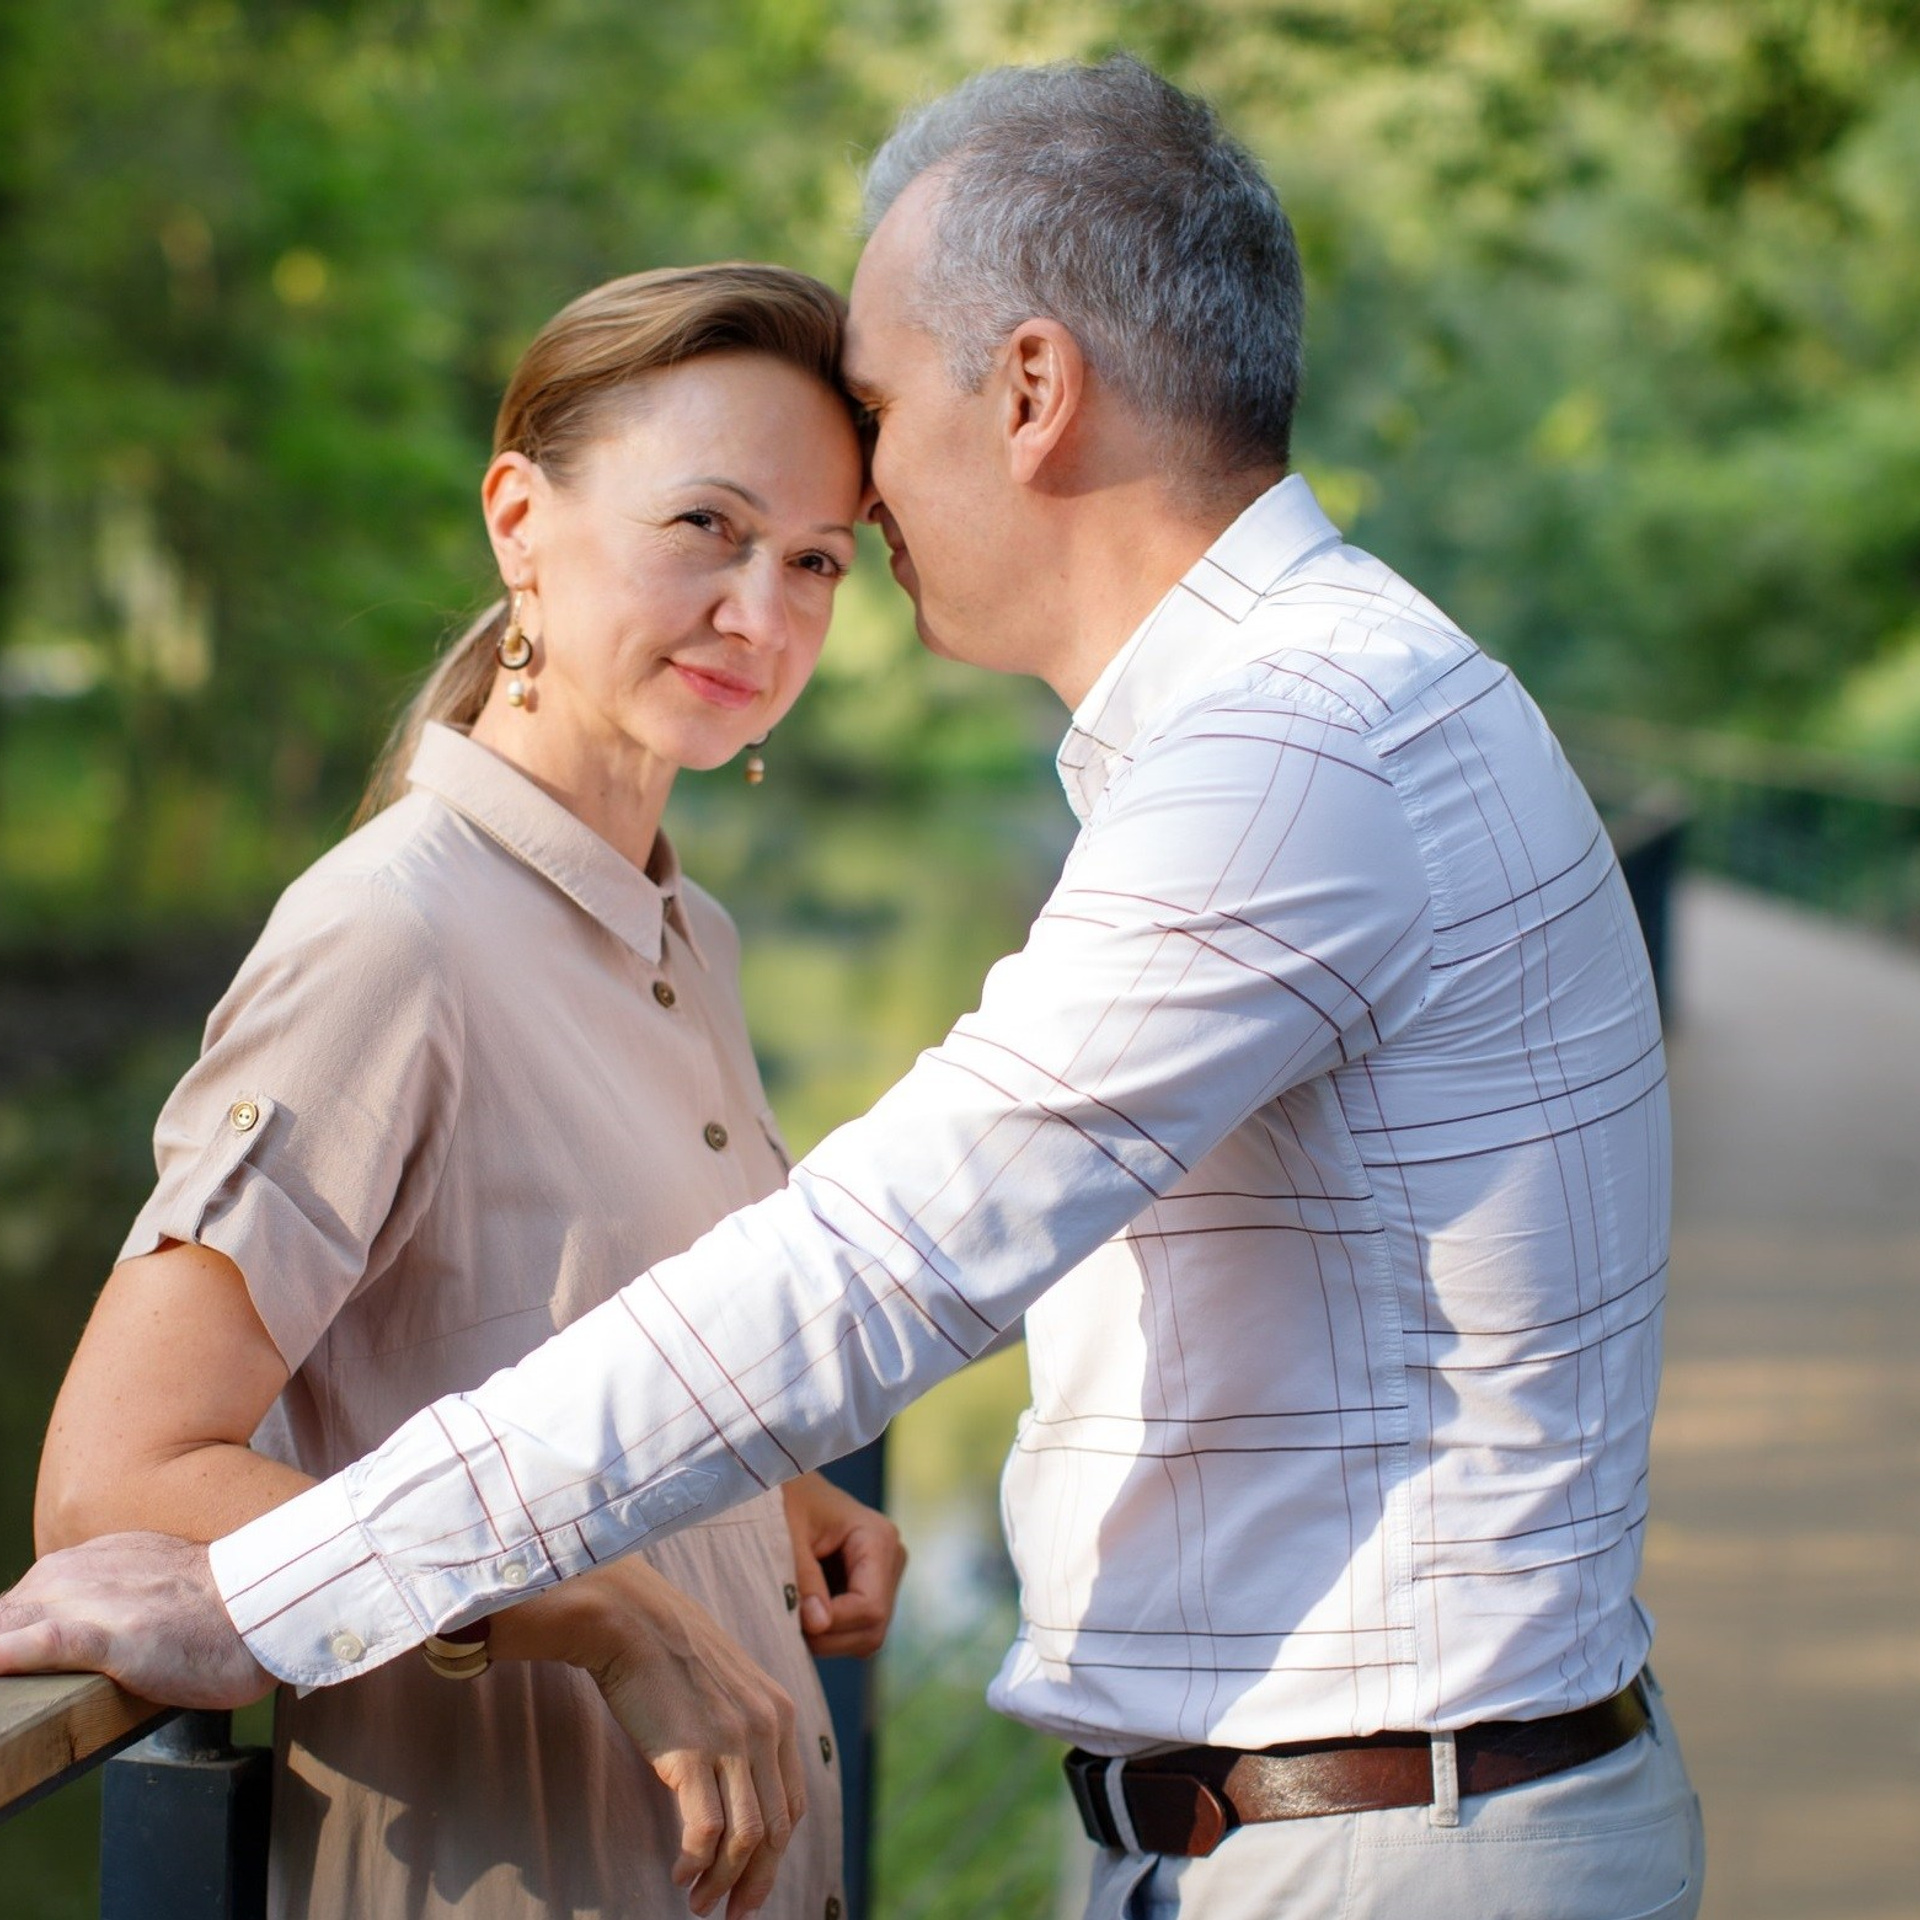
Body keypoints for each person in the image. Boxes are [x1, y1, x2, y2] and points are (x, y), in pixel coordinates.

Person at [0, 57, 1704, 1920]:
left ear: (1033, 390)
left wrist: (275, 1587)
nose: (843, 537)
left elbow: (881, 1264)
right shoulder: (1340, 702)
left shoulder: (1295, 752)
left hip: (1378, 1854)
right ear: (521, 525)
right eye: (708, 527)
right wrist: (625, 1577)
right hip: (1334, 1827)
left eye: (862, 441)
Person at [26, 262, 905, 1920]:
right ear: (520, 519)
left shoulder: (684, 933)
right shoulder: (389, 934)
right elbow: (112, 1480)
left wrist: (766, 1491)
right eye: (705, 527)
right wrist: (600, 1604)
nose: (766, 615)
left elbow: (548, 1327)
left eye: (813, 562)